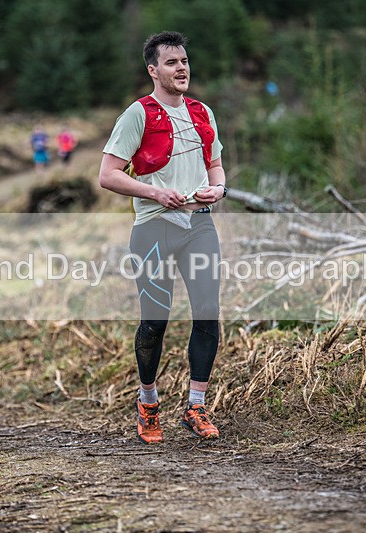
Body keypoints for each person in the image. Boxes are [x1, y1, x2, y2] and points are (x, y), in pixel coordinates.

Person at [98, 31, 228, 443]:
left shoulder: (202, 111)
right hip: (153, 228)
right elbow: (108, 175)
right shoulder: (138, 114)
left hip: (199, 224)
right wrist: (154, 191)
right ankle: (148, 404)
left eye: (185, 61)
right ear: (153, 71)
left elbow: (217, 168)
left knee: (207, 312)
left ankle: (195, 407)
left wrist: (218, 190)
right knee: (155, 321)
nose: (182, 68)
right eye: (172, 63)